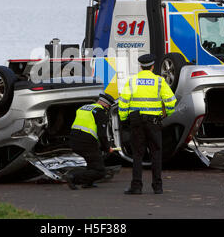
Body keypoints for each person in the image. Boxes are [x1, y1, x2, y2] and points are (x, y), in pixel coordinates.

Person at [119, 54, 176, 195]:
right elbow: (171, 101)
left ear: (140, 66)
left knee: (137, 154)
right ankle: (158, 187)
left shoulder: (132, 81)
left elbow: (123, 101)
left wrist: (124, 117)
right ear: (152, 66)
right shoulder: (159, 81)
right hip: (154, 122)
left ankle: (136, 186)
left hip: (136, 122)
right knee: (156, 153)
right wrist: (167, 113)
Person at [64, 93, 116, 190]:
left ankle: (88, 183)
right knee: (100, 171)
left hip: (74, 139)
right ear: (106, 105)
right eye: (108, 107)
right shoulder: (100, 112)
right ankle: (73, 177)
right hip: (86, 142)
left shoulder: (84, 108)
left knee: (92, 162)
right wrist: (107, 148)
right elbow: (102, 135)